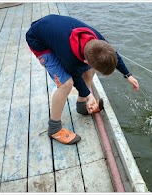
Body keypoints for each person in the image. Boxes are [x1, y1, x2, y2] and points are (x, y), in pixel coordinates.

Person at [26, 14, 139, 145]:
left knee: (89, 69)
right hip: (38, 40)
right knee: (66, 84)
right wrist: (89, 95)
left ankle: (82, 106)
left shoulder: (98, 40)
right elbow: (74, 75)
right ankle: (54, 128)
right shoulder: (68, 54)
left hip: (55, 31)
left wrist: (128, 75)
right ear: (85, 60)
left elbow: (113, 55)